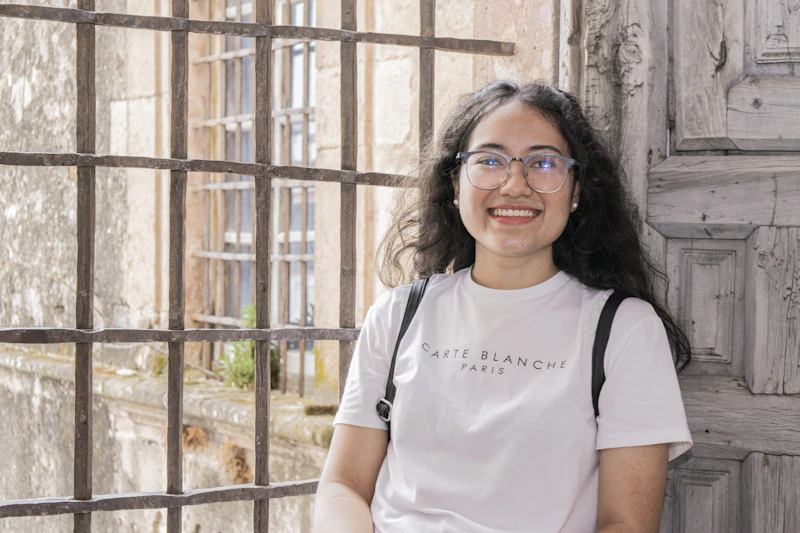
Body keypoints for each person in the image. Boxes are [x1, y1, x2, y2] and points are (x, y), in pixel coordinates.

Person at [313, 80, 693, 533]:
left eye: (544, 163)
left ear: (576, 191)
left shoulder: (623, 330)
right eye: (490, 161)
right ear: (456, 184)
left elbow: (625, 523)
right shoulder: (398, 315)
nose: (515, 185)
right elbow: (344, 486)